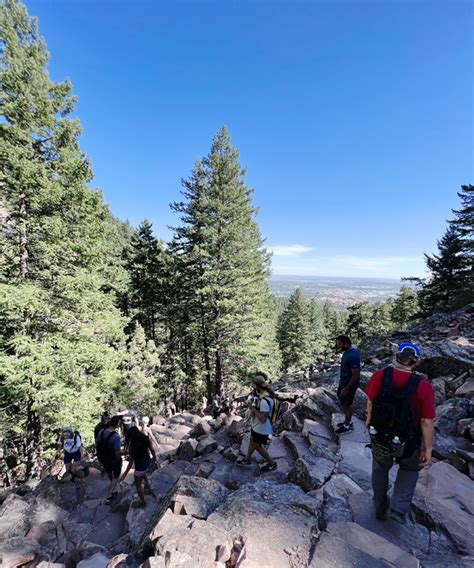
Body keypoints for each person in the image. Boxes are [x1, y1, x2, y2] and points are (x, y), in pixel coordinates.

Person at [365, 342, 435, 523]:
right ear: (416, 362)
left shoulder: (380, 375)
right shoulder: (423, 386)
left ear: (397, 357)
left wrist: (368, 421)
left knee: (380, 468)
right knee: (410, 469)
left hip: (380, 434)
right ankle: (397, 509)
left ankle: (379, 504)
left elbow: (371, 402)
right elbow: (426, 421)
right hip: (410, 438)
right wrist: (427, 449)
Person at [236, 373, 277, 472]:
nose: (253, 388)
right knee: (252, 441)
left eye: (253, 386)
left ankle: (271, 463)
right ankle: (247, 459)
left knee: (258, 446)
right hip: (257, 427)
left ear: (257, 386)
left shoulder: (264, 401)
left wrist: (252, 408)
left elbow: (262, 419)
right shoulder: (265, 396)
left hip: (262, 428)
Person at [120, 424, 157, 507]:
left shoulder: (132, 446)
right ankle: (148, 486)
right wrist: (154, 459)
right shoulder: (145, 439)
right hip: (147, 462)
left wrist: (124, 474)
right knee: (143, 474)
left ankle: (143, 502)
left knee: (138, 485)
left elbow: (130, 463)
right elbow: (152, 450)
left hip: (140, 467)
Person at [335, 334, 361, 434]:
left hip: (349, 385)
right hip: (344, 383)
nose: (338, 346)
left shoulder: (353, 355)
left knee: (347, 404)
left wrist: (346, 388)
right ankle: (347, 421)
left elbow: (356, 374)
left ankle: (347, 426)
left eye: (340, 344)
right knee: (344, 403)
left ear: (346, 343)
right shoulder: (347, 352)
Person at [96, 416, 122, 505]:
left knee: (109, 471)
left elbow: (97, 443)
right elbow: (117, 451)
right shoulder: (116, 437)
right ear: (118, 424)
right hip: (113, 459)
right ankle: (109, 495)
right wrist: (124, 454)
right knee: (116, 476)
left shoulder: (101, 432)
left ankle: (112, 483)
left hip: (103, 458)